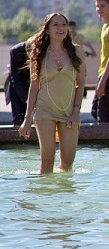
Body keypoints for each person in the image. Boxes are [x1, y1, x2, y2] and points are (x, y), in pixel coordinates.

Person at [18, 13, 85, 174]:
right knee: (47, 161)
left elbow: (81, 83)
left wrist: (76, 112)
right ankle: (46, 196)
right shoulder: (39, 53)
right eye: (55, 25)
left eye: (63, 24)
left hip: (69, 111)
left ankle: (63, 196)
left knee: (67, 164)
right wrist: (27, 120)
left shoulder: (76, 51)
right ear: (47, 29)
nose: (60, 28)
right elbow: (34, 86)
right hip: (44, 110)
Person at [4, 40, 31, 126]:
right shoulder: (16, 51)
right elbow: (15, 80)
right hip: (16, 86)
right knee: (18, 118)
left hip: (33, 83)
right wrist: (27, 100)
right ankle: (17, 137)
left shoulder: (43, 50)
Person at [68, 20, 96, 98]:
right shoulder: (67, 37)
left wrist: (93, 51)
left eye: (73, 28)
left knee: (81, 78)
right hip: (69, 62)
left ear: (76, 28)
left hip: (79, 61)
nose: (72, 30)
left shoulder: (80, 37)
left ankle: (82, 93)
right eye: (70, 28)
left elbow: (87, 43)